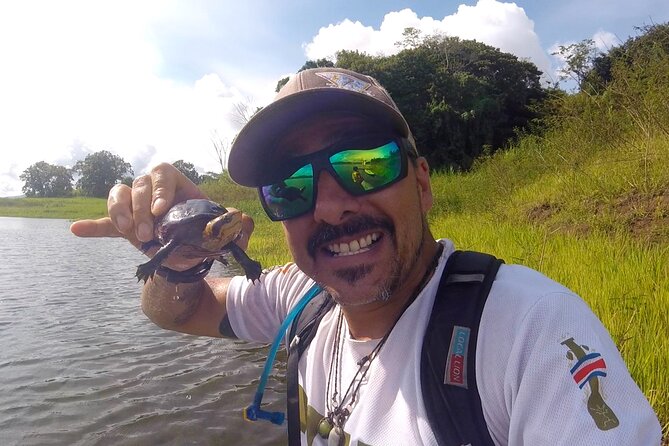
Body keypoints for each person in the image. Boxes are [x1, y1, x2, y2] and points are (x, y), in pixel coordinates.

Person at [70, 67, 662, 445]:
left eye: (364, 163)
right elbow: (175, 312)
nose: (328, 205)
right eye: (290, 186)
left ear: (422, 183)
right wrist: (177, 259)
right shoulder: (300, 299)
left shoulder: (526, 333)